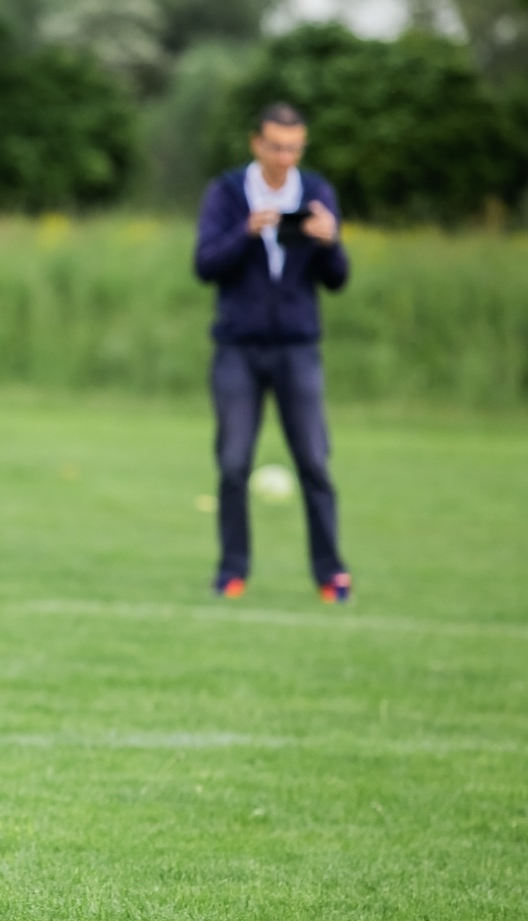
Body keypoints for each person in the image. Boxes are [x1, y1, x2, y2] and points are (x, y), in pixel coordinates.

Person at [195, 102, 353, 603]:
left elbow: (337, 280)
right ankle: (232, 571)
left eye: (294, 148)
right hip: (237, 349)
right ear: (256, 144)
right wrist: (246, 232)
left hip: (297, 348)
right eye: (276, 147)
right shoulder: (226, 193)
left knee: (314, 463)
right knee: (233, 464)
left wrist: (330, 242)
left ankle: (330, 574)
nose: (285, 158)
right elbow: (204, 265)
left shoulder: (317, 192)